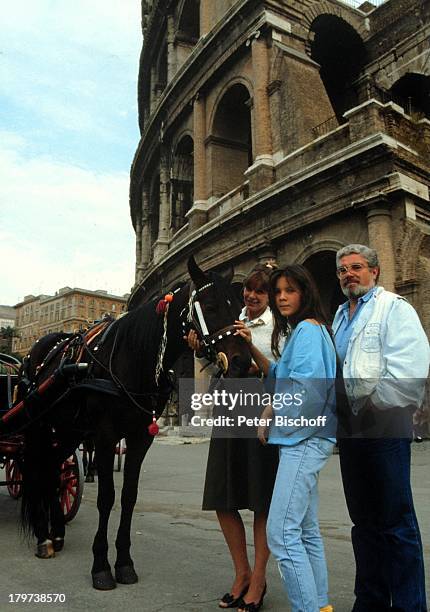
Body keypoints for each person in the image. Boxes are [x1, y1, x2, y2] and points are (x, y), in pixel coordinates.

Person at [332, 243, 429, 612]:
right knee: (363, 523)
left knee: (397, 522)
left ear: (374, 272)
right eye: (342, 270)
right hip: (351, 430)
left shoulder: (394, 308)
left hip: (384, 426)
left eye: (356, 267)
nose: (348, 275)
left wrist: (373, 408)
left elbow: (410, 366)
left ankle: (409, 606)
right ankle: (370, 602)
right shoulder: (339, 317)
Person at [235, 264, 336, 612]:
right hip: (310, 437)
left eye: (289, 290)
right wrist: (252, 349)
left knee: (281, 533)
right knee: (306, 532)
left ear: (305, 293)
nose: (281, 298)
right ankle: (320, 605)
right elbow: (280, 373)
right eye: (278, 292)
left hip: (302, 438)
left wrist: (270, 412)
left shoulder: (307, 332)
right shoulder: (308, 331)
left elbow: (305, 388)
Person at [187, 264, 278, 611]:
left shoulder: (275, 326)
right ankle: (240, 572)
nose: (251, 296)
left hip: (259, 408)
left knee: (259, 500)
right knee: (223, 495)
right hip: (228, 406)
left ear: (270, 297)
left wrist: (253, 353)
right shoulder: (232, 316)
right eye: (248, 290)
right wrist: (200, 349)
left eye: (260, 291)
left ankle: (258, 579)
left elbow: (279, 368)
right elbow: (217, 364)